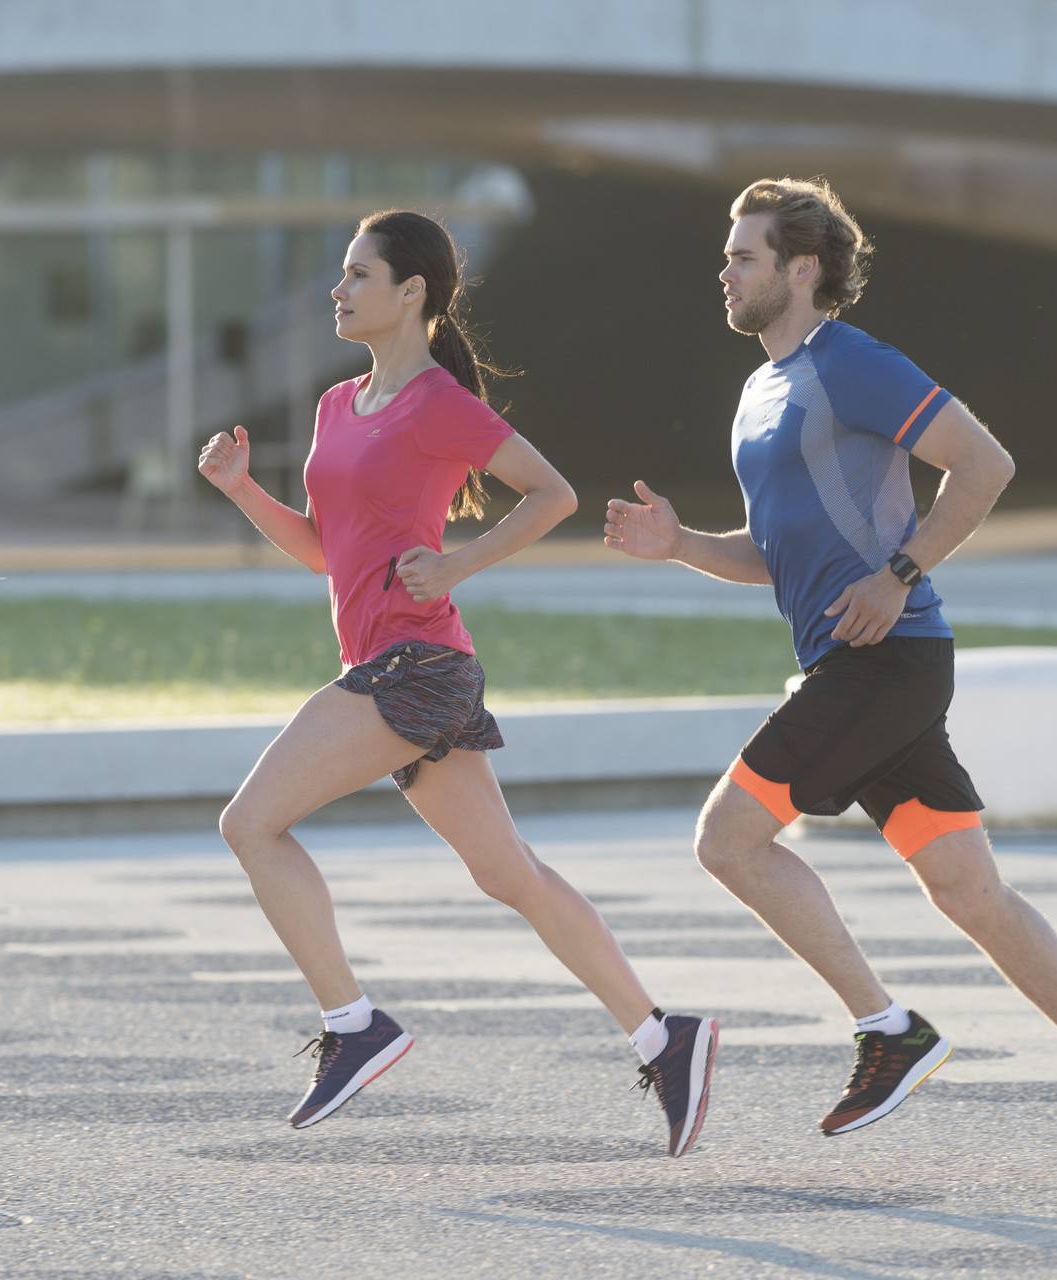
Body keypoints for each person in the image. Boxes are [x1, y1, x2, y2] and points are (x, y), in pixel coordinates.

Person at [602, 177, 1057, 1182]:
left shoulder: (851, 364)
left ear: (801, 268)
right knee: (969, 889)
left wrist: (902, 571)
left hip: (889, 659)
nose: (726, 271)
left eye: (744, 256)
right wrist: (680, 543)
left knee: (727, 838)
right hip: (859, 662)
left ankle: (888, 1026)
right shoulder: (760, 393)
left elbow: (985, 462)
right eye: (728, 255)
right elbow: (776, 553)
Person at [198, 209, 717, 1156]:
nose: (338, 290)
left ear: (411, 295)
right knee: (506, 873)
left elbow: (552, 493)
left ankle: (355, 1026)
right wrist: (243, 491)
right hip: (387, 661)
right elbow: (327, 552)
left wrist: (457, 563)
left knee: (250, 822)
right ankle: (662, 1036)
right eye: (341, 274)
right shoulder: (331, 406)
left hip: (416, 662)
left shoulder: (437, 403)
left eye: (358, 275)